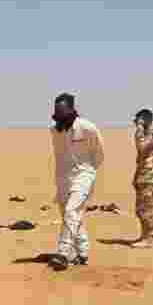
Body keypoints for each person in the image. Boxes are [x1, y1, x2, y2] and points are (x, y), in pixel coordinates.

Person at [48, 93, 104, 270]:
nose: (59, 115)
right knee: (71, 215)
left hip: (84, 175)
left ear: (72, 109)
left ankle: (63, 253)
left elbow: (99, 153)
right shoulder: (54, 131)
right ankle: (82, 253)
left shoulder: (87, 128)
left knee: (72, 211)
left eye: (62, 111)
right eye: (56, 112)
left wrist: (89, 172)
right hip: (63, 178)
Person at [130, 108, 153, 248]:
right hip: (143, 174)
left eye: (139, 120)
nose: (136, 123)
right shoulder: (145, 134)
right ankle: (145, 235)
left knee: (146, 209)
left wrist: (139, 129)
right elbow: (140, 158)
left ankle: (149, 237)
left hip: (149, 175)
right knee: (140, 209)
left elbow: (142, 149)